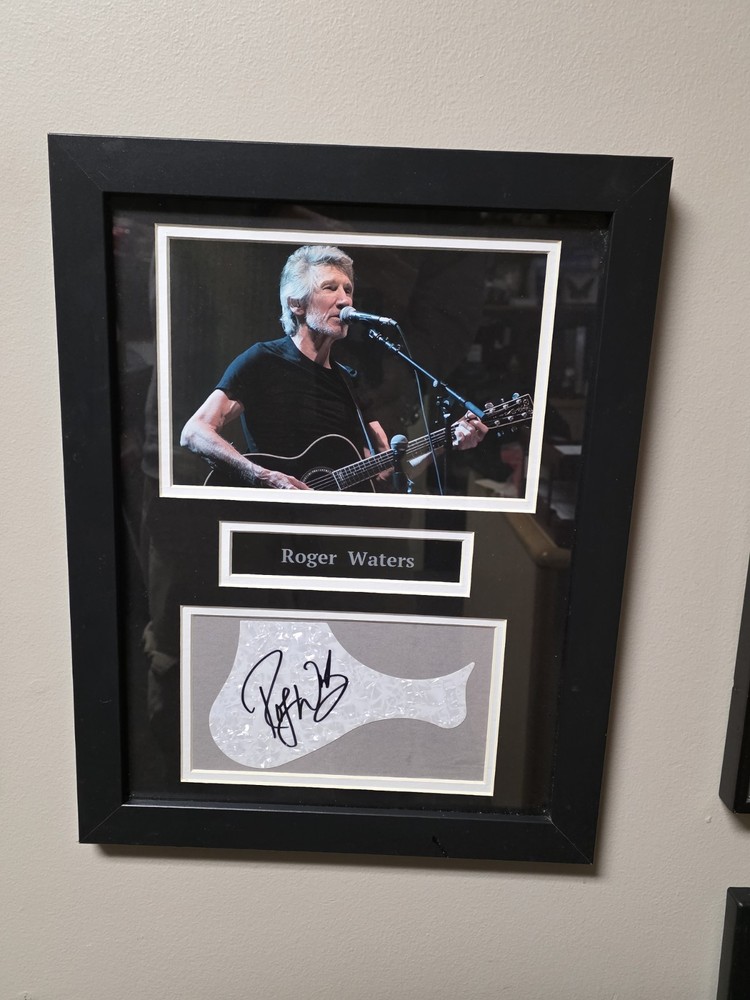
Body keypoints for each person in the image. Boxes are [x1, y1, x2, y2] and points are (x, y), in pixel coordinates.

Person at [180, 244, 486, 491]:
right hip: (270, 523)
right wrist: (261, 475)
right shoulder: (263, 360)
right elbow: (194, 432)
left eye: (348, 289)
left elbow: (390, 468)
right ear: (296, 304)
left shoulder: (350, 383)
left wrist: (448, 441)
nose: (344, 300)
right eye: (330, 288)